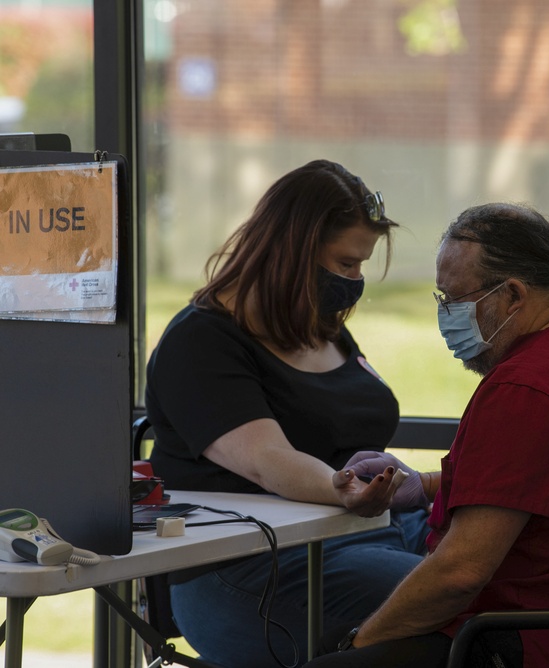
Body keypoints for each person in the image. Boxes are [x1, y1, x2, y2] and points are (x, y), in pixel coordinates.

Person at [306, 202, 549, 667]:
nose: (446, 316)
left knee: (333, 649)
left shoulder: (528, 387)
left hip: (536, 642)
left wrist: (359, 643)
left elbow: (460, 573)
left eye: (453, 299)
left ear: (513, 295)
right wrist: (424, 485)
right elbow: (540, 485)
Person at [144, 160, 433, 668]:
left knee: (514, 575)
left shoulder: (321, 331)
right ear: (292, 253)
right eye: (345, 265)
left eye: (361, 265)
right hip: (253, 569)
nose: (355, 281)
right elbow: (266, 457)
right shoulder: (202, 341)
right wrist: (340, 487)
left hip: (366, 537)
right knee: (455, 600)